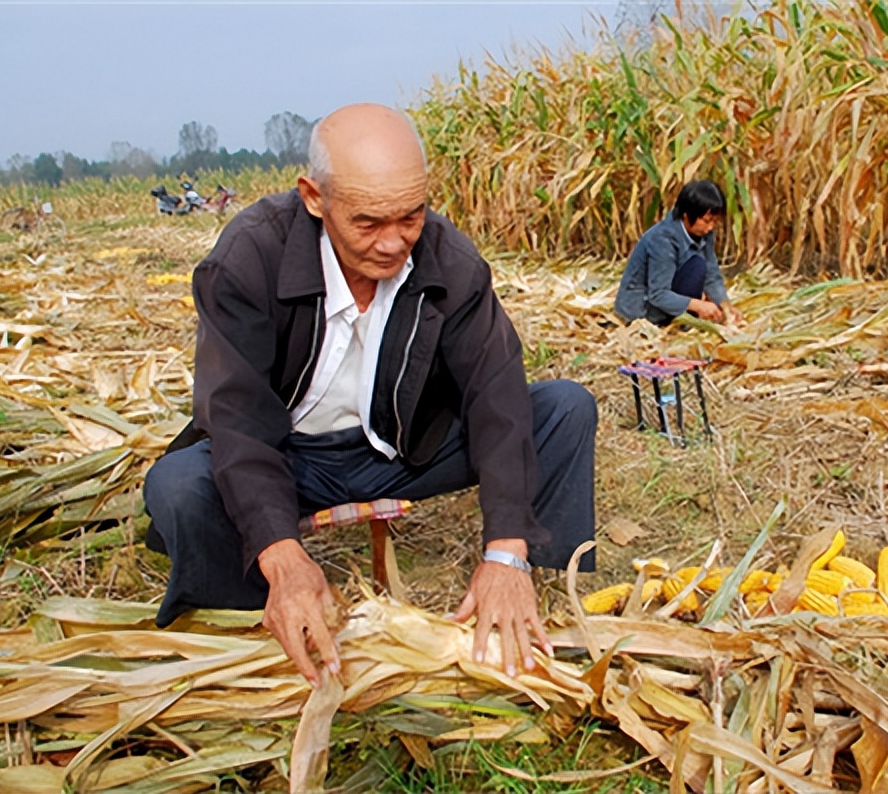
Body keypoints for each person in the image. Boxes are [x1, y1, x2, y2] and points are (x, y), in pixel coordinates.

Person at [143, 103, 596, 687]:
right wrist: (281, 552)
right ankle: (262, 614)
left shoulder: (448, 260)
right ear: (314, 197)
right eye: (368, 223)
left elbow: (495, 391)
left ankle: (543, 597)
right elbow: (237, 419)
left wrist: (505, 550)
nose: (393, 243)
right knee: (179, 484)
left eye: (411, 216)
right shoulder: (250, 258)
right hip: (291, 461)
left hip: (402, 449)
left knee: (562, 408)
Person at [613, 179, 744, 326]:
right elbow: (658, 294)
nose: (710, 228)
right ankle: (678, 322)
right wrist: (698, 305)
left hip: (665, 299)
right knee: (697, 266)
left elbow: (712, 276)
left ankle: (684, 320)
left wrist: (725, 306)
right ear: (686, 215)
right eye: (707, 221)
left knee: (698, 267)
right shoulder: (662, 240)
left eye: (715, 222)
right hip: (641, 310)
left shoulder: (704, 234)